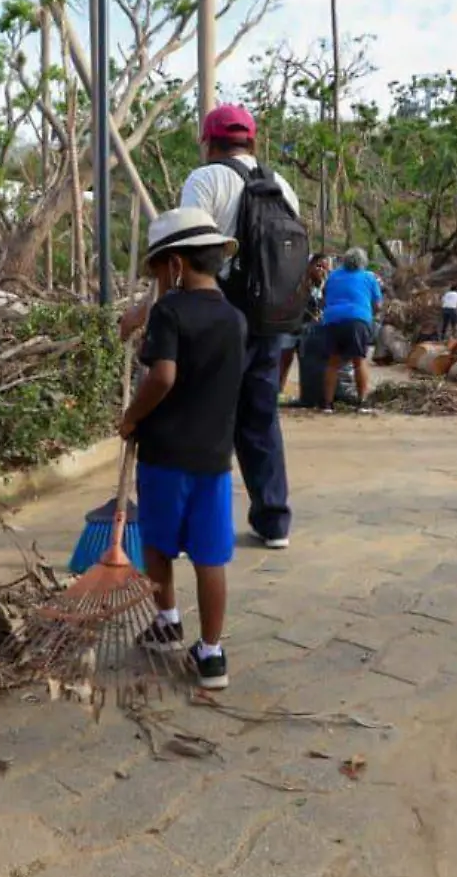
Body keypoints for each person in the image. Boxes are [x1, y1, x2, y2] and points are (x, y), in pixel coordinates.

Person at [131, 103, 301, 550]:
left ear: (208, 141)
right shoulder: (282, 186)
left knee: (200, 413)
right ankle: (273, 521)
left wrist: (151, 312)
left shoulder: (205, 179)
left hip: (217, 317)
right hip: (271, 320)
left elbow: (182, 255)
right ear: (254, 140)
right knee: (260, 417)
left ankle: (193, 523)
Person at [121, 208, 247, 690]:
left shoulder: (169, 312)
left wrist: (132, 415)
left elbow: (164, 375)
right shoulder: (235, 319)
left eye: (156, 272)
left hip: (165, 455)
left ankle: (168, 620)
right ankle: (212, 654)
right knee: (210, 556)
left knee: (158, 542)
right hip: (214, 458)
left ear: (173, 265)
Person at [319, 247, 384, 413]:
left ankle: (328, 405)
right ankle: (362, 403)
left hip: (333, 320)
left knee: (333, 363)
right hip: (357, 320)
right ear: (363, 263)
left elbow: (324, 297)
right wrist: (369, 315)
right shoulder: (369, 277)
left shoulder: (333, 276)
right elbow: (378, 305)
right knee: (358, 361)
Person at [277, 253, 332, 396]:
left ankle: (307, 393)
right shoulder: (300, 282)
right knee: (284, 359)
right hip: (292, 327)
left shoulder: (323, 286)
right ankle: (278, 390)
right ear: (310, 266)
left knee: (308, 363)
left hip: (309, 330)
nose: (321, 270)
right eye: (318, 266)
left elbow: (324, 305)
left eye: (325, 268)